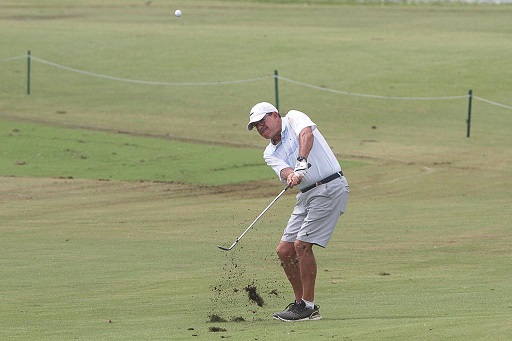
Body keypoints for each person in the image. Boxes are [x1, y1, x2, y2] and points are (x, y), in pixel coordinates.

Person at [247, 102, 349, 322]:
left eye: (262, 122)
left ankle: (309, 307)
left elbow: (306, 135)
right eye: (256, 126)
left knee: (301, 245)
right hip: (306, 195)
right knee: (285, 250)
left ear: (275, 115)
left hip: (329, 186)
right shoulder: (269, 152)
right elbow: (283, 170)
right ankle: (300, 304)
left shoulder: (294, 118)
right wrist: (291, 174)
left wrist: (301, 162)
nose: (260, 128)